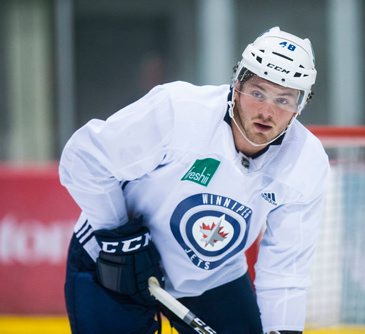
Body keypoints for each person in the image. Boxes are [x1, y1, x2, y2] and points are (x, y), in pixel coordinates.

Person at [60, 26, 330, 334]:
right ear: (237, 84)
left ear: (300, 106)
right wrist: (120, 237)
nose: (267, 111)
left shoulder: (305, 163)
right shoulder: (179, 111)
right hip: (108, 259)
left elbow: (286, 270)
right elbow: (83, 158)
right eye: (257, 93)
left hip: (212, 277)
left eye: (283, 100)